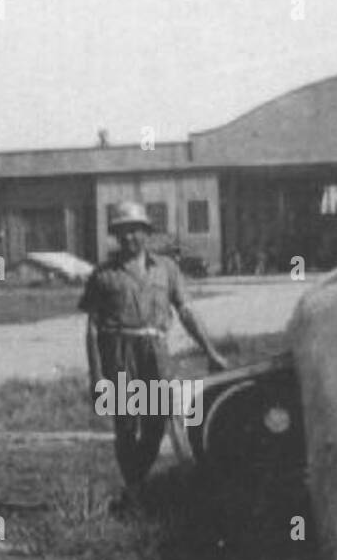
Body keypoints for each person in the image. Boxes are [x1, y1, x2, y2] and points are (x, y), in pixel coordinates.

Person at [79, 200, 229, 497]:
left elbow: (186, 312)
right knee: (125, 424)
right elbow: (93, 328)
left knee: (157, 422)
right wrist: (96, 376)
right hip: (120, 353)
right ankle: (134, 488)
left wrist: (211, 351)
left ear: (147, 233)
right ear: (115, 235)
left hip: (156, 354)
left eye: (135, 231)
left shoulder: (167, 269)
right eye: (122, 232)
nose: (129, 237)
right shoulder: (103, 274)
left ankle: (137, 477)